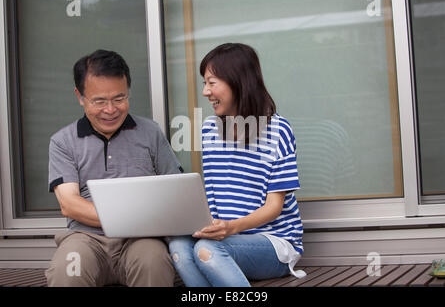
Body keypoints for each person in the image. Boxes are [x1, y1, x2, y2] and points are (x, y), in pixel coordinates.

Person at [168, 43, 305, 287]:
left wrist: (231, 228)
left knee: (206, 251)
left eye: (212, 82)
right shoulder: (210, 129)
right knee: (178, 247)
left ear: (238, 81)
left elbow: (274, 207)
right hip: (224, 238)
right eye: (204, 83)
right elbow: (212, 195)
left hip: (273, 242)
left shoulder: (278, 130)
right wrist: (207, 225)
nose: (205, 92)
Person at [46, 49, 182, 287]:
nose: (110, 109)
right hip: (86, 239)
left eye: (119, 99)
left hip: (141, 240)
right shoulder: (62, 141)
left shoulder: (151, 133)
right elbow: (70, 205)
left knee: (154, 262)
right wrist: (135, 218)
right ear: (80, 96)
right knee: (68, 268)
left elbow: (177, 190)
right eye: (99, 101)